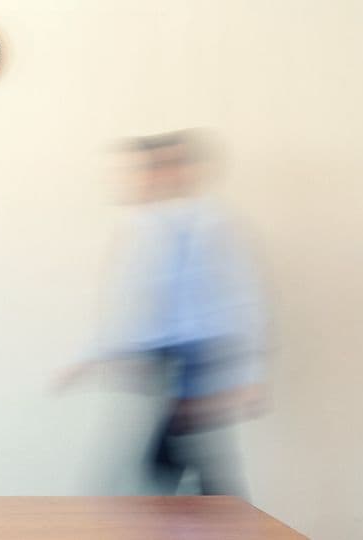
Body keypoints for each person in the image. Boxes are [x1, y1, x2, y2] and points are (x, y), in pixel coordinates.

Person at [58, 129, 267, 497]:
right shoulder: (143, 226)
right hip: (159, 358)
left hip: (202, 356)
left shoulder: (216, 223)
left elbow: (242, 297)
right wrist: (93, 356)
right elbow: (131, 299)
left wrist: (248, 375)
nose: (160, 174)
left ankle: (203, 518)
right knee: (179, 465)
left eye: (171, 165)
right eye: (154, 167)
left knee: (172, 464)